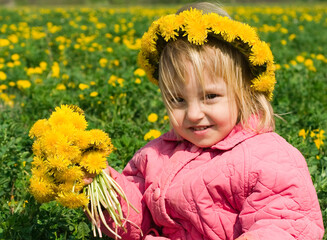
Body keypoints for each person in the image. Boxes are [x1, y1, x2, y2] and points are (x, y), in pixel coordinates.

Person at [85, 2, 324, 239]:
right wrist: (102, 189)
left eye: (210, 96)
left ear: (245, 92)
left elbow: (286, 223)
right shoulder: (154, 155)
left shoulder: (269, 157)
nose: (193, 114)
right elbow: (135, 219)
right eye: (178, 100)